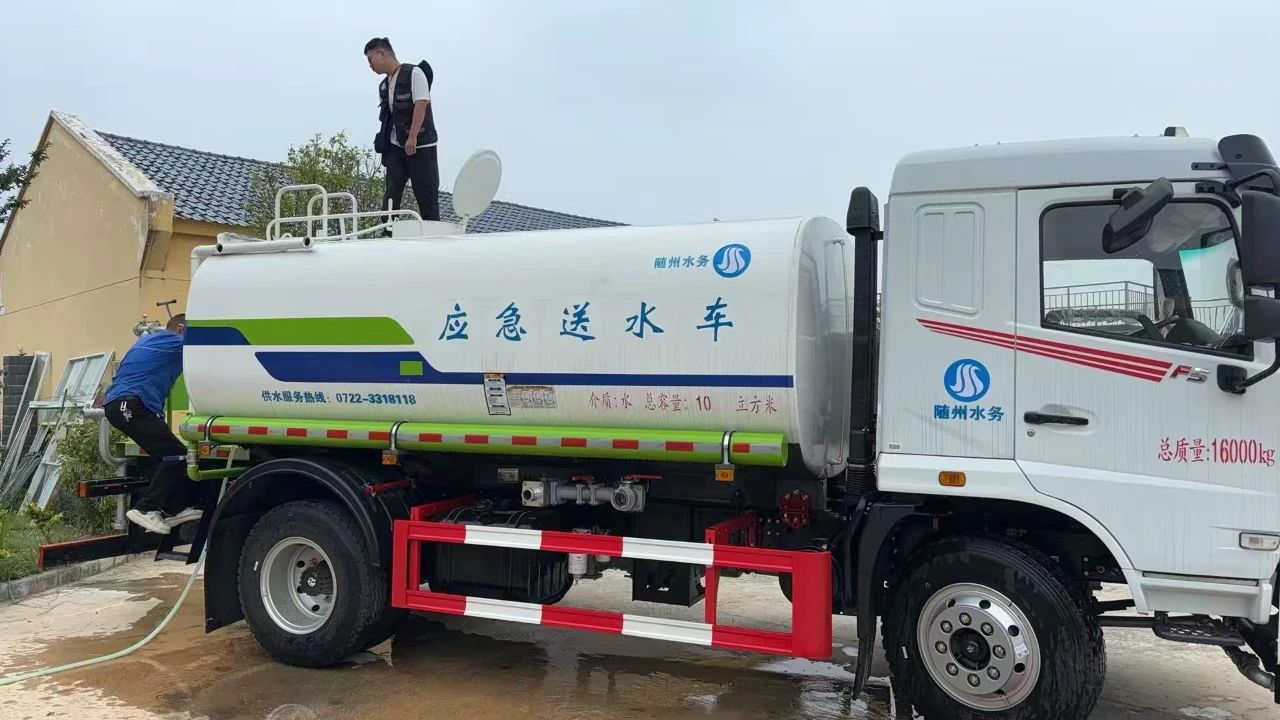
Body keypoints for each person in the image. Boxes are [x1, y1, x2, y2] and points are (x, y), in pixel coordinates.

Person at [103, 314, 201, 534]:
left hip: (126, 404)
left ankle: (174, 509)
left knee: (166, 458)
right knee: (177, 455)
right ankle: (145, 508)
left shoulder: (151, 340)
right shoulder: (172, 341)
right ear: (181, 329)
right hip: (129, 404)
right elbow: (205, 345)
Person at [365, 36, 441, 221]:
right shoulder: (384, 86)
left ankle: (433, 231)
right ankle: (388, 229)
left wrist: (413, 136)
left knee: (426, 193)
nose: (370, 65)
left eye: (371, 59)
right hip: (395, 146)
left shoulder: (415, 73)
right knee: (391, 192)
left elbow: (421, 103)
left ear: (381, 54)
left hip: (421, 146)